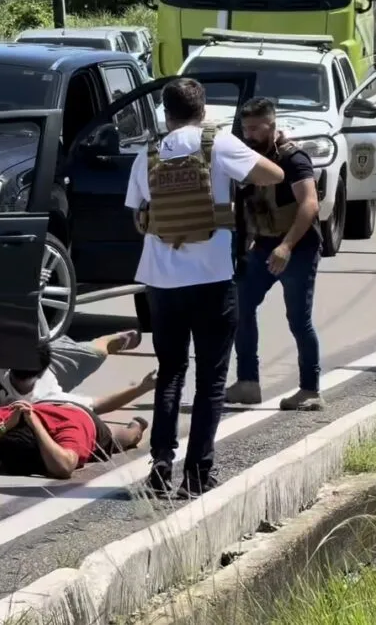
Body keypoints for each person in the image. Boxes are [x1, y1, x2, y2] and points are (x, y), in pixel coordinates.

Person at [125, 78, 285, 498]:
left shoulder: (150, 152)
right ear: (204, 110)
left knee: (170, 374)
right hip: (212, 278)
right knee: (211, 380)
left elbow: (136, 213)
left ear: (166, 112)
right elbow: (274, 174)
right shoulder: (219, 144)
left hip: (161, 280)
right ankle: (198, 474)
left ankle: (160, 466)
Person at [226, 97, 323, 411]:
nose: (250, 134)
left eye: (256, 128)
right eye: (246, 128)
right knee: (241, 305)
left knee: (298, 320)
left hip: (298, 247)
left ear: (272, 124)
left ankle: (310, 390)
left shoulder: (294, 159)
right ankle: (248, 383)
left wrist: (286, 246)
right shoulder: (250, 159)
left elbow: (310, 204)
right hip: (265, 246)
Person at [0, 330, 147, 413]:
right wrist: (144, 387)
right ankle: (107, 341)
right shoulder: (43, 396)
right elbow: (98, 405)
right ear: (42, 372)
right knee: (92, 354)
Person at [0, 399, 149, 478]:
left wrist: (34, 423)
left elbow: (63, 467)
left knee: (121, 438)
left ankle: (136, 427)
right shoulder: (2, 417)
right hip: (43, 404)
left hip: (80, 416)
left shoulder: (68, 427)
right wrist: (1, 429)